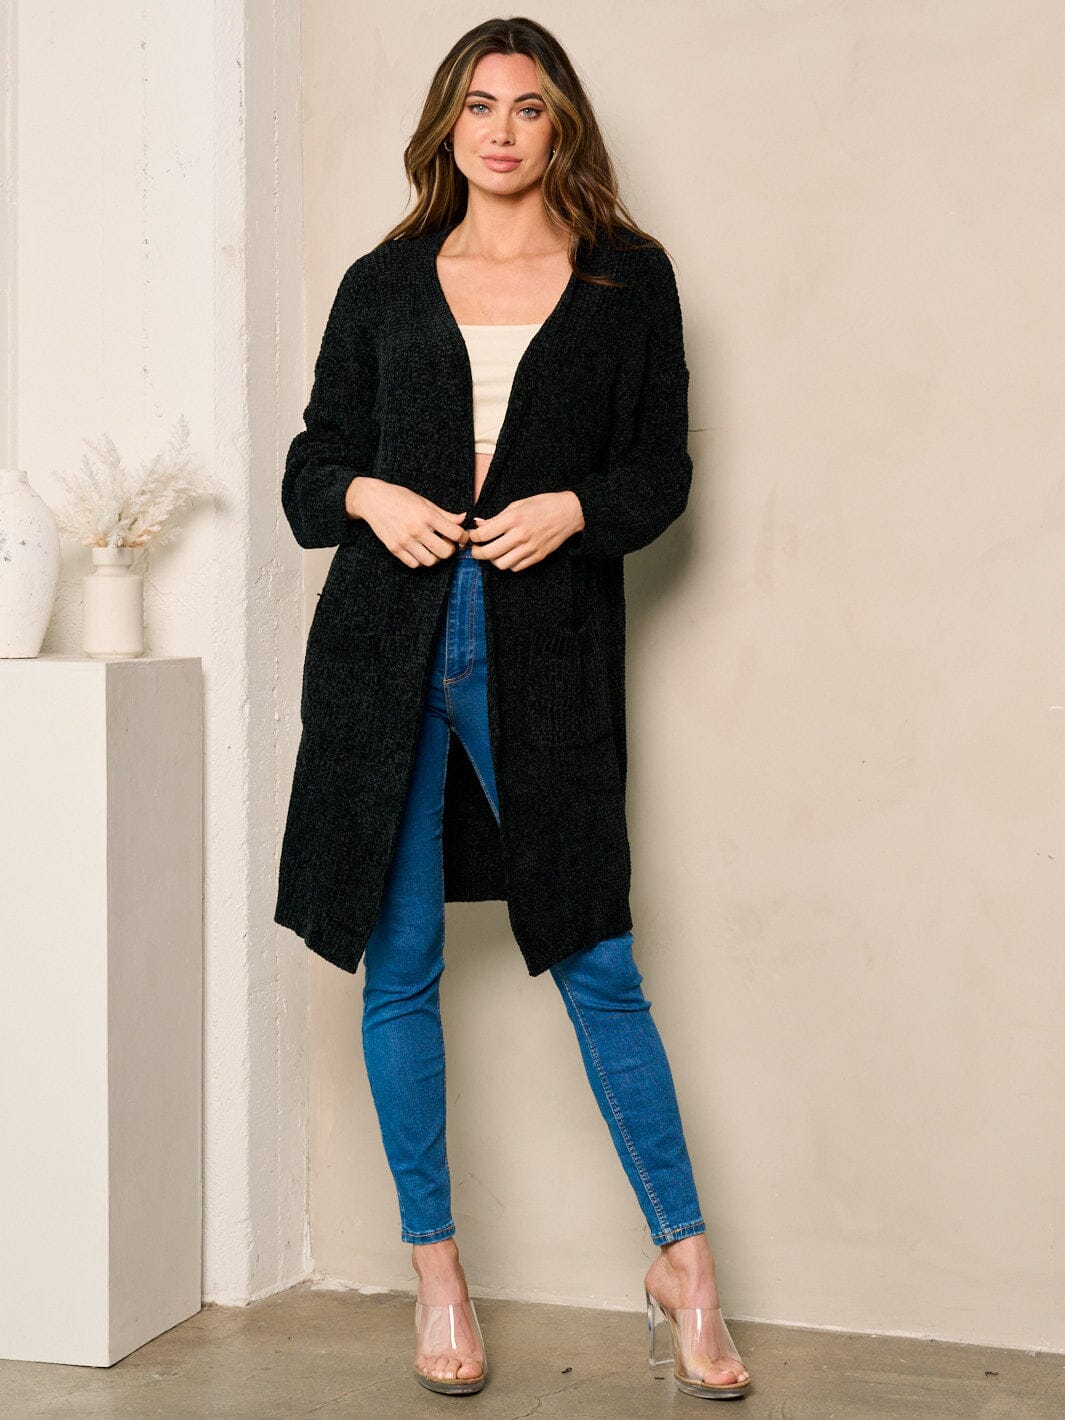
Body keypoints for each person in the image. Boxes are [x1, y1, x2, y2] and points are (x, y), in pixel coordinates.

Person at [276, 16, 752, 1403]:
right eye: (478, 105)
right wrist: (369, 493)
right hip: (381, 653)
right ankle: (438, 1274)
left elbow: (659, 475)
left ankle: (685, 1267)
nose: (500, 130)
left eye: (527, 107)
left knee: (595, 955)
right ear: (447, 123)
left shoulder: (627, 278)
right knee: (402, 961)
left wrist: (575, 508)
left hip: (541, 655)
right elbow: (312, 470)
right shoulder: (383, 281)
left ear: (561, 126)